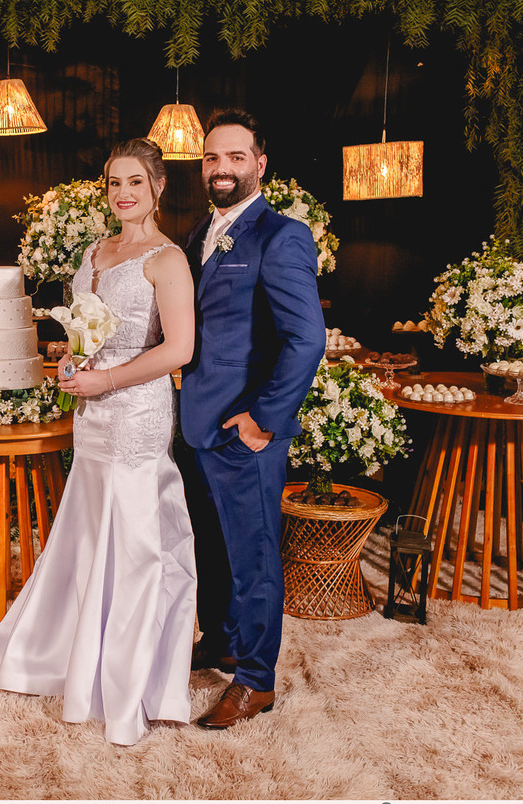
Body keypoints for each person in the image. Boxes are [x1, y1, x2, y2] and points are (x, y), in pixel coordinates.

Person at [0, 138, 197, 746]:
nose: (122, 193)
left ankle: (130, 685)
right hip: (91, 412)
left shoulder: (167, 259)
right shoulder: (94, 252)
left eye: (134, 181)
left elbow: (179, 349)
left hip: (137, 413)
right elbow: (84, 330)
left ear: (157, 188)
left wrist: (107, 379)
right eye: (112, 183)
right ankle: (69, 659)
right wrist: (70, 365)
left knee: (133, 545)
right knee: (86, 533)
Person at [179, 108, 325, 728]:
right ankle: (223, 638)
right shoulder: (196, 235)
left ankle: (256, 680)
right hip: (194, 426)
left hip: (245, 432)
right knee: (212, 549)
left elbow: (307, 338)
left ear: (260, 165)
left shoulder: (280, 235)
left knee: (256, 554)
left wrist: (262, 420)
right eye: (213, 157)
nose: (222, 168)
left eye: (236, 157)